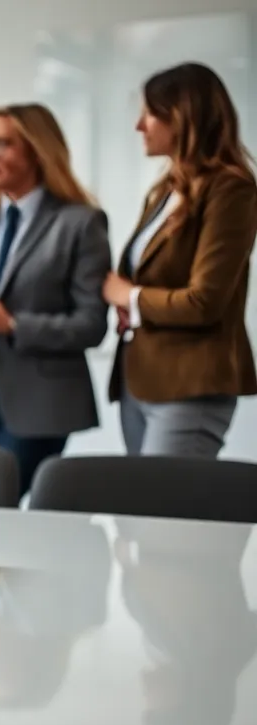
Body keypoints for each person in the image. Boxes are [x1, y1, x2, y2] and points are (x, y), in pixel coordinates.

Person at [0, 103, 111, 496]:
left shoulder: (80, 223)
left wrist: (10, 324)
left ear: (37, 150)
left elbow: (91, 324)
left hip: (37, 401)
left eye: (3, 145)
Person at [103, 62, 257, 458]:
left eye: (150, 114)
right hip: (140, 378)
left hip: (190, 384)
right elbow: (149, 279)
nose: (140, 126)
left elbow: (204, 301)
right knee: (141, 513)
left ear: (184, 117)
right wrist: (130, 306)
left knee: (165, 514)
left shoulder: (231, 189)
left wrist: (130, 297)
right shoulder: (164, 191)